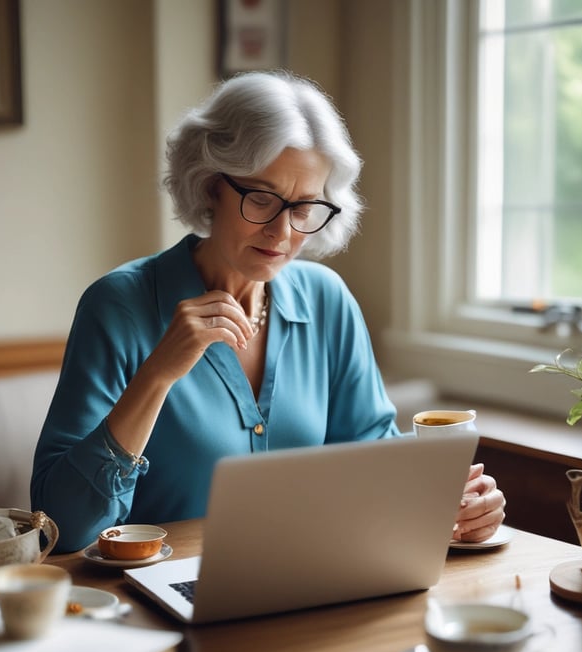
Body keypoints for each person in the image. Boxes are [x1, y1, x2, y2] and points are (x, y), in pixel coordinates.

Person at [31, 70, 505, 553]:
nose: (282, 233)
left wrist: (452, 499)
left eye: (303, 208)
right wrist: (157, 375)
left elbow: (372, 455)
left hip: (308, 575)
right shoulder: (119, 306)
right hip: (158, 586)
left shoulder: (326, 299)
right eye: (261, 198)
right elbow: (63, 525)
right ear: (210, 184)